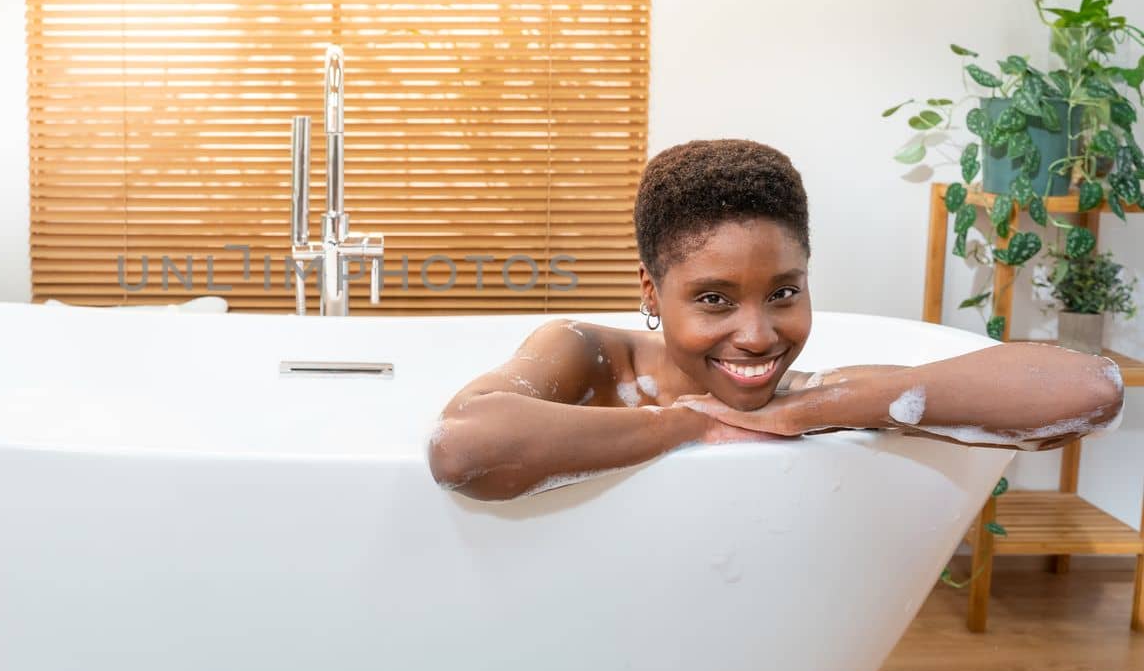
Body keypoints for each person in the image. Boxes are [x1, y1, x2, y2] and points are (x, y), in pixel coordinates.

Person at [427, 139, 1125, 501]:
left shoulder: (808, 395)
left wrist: (813, 411)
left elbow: (1091, 389)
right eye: (714, 299)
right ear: (650, 287)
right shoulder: (589, 357)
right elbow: (463, 447)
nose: (759, 335)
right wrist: (686, 423)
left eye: (784, 292)